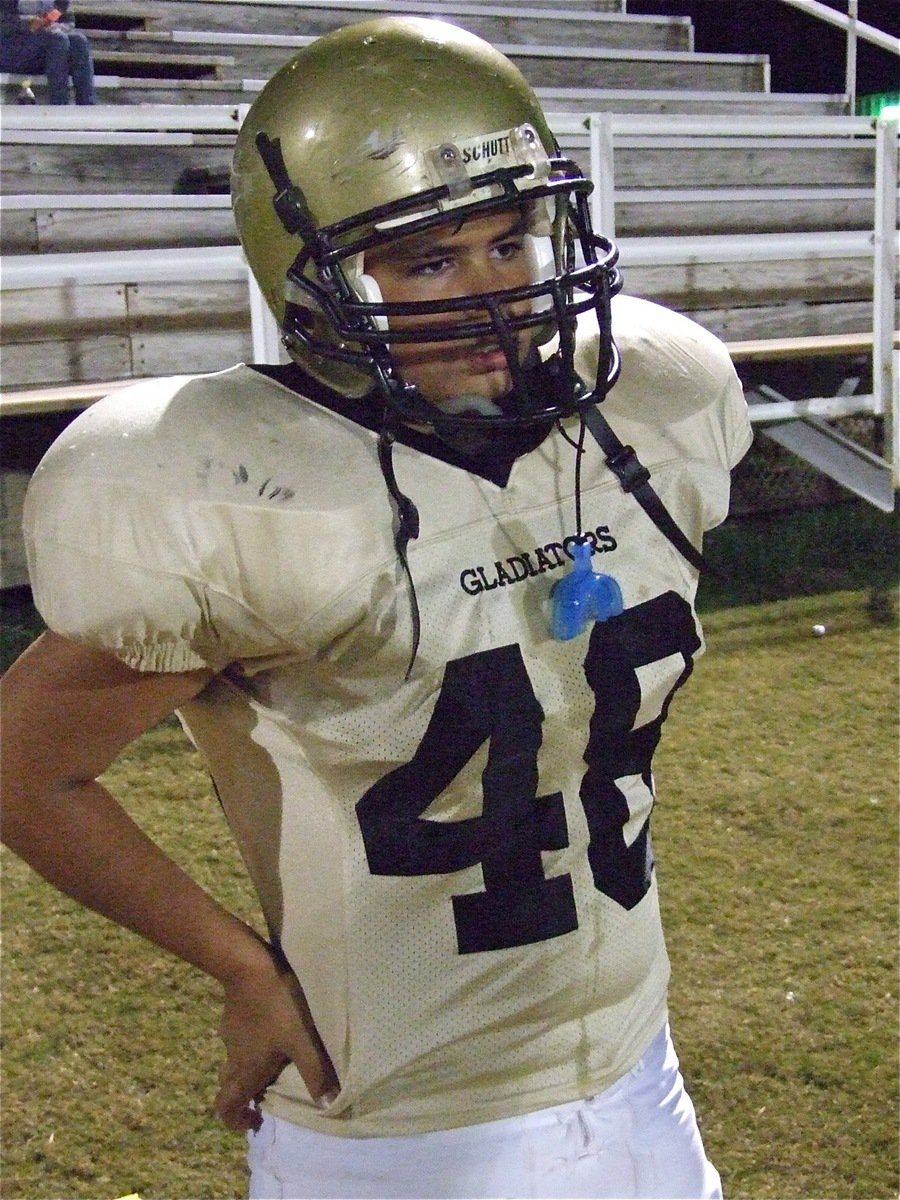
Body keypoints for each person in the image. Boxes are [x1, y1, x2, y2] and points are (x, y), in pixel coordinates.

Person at [0, 17, 753, 1200]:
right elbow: (20, 766)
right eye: (427, 261)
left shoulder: (641, 410)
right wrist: (239, 968)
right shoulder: (243, 489)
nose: (494, 295)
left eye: (510, 242)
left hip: (637, 1075)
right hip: (400, 1128)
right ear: (313, 279)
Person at [0, 0, 96, 105]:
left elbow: (68, 21)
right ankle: (59, 103)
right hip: (13, 51)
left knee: (79, 41)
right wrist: (29, 25)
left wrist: (55, 27)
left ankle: (87, 103)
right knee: (57, 39)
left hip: (50, 49)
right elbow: (5, 24)